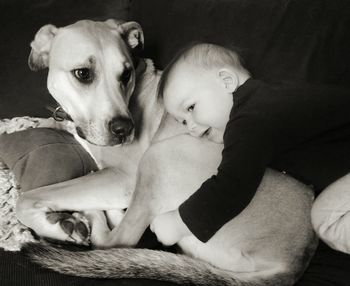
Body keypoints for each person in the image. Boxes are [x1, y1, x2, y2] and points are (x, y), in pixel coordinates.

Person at [150, 42, 350, 255]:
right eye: (182, 121)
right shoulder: (265, 103)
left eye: (191, 108)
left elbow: (232, 186)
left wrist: (179, 222)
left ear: (227, 81)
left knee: (326, 217)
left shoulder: (250, 119)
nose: (191, 127)